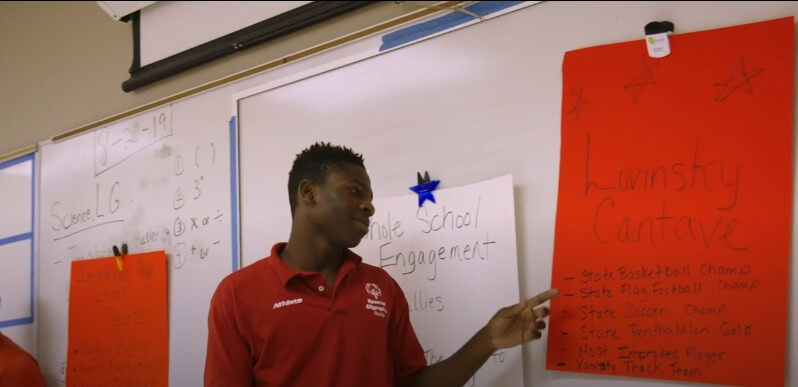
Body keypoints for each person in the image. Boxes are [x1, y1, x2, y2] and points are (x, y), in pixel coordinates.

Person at [205, 142, 557, 386]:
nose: (370, 207)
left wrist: (488, 341)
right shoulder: (237, 294)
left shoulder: (381, 288)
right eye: (355, 192)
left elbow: (414, 384)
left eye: (370, 198)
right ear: (308, 193)